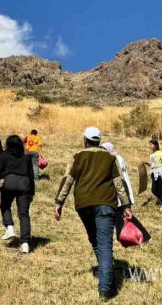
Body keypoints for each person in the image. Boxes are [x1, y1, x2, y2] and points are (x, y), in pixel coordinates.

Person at [54, 127, 132, 301]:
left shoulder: (78, 156)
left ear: (85, 140)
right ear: (98, 140)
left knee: (95, 241)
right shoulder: (110, 158)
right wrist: (126, 205)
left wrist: (59, 202)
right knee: (104, 244)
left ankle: (106, 280)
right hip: (106, 204)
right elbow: (119, 183)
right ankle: (105, 286)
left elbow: (67, 180)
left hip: (83, 205)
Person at [0, 135, 35, 254]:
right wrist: (32, 191)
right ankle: (25, 243)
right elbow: (31, 175)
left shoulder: (4, 155)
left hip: (10, 181)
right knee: (24, 214)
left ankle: (9, 227)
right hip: (25, 184)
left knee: (5, 205)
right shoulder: (26, 158)